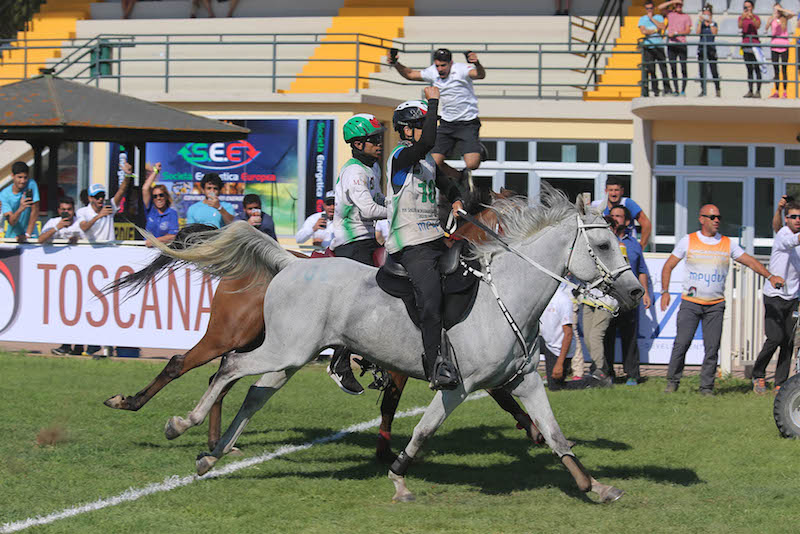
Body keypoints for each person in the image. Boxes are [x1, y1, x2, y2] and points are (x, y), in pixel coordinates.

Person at [385, 87, 465, 390]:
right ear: (406, 129)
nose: (424, 130)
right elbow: (430, 140)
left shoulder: (429, 162)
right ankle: (434, 366)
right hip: (411, 245)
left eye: (425, 124)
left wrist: (456, 200)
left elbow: (450, 186)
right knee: (431, 302)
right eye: (419, 124)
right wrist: (434, 101)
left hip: (435, 239)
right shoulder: (401, 157)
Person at [661, 204, 784, 395]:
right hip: (691, 303)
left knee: (712, 349)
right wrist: (665, 291)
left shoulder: (727, 243)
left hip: (715, 305)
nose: (717, 220)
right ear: (701, 219)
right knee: (682, 344)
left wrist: (770, 276)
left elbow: (750, 261)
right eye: (712, 217)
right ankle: (672, 382)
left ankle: (706, 387)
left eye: (718, 217)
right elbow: (668, 266)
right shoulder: (688, 240)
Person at [327, 114, 389, 395]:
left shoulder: (372, 166)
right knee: (364, 304)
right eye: (374, 140)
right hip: (351, 245)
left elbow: (379, 202)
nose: (379, 144)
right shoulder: (355, 172)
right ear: (358, 143)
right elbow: (369, 210)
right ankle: (339, 364)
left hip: (368, 241)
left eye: (380, 139)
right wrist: (406, 211)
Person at [389, 47, 485, 173]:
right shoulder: (433, 72)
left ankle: (480, 149)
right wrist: (396, 64)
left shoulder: (461, 69)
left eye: (443, 65)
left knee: (472, 164)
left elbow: (480, 75)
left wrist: (476, 63)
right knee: (433, 163)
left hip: (467, 121)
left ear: (451, 63)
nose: (440, 69)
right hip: (447, 123)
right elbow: (410, 75)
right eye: (437, 65)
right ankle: (459, 177)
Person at [752, 200, 800, 394]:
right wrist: (779, 210)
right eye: (794, 217)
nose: (798, 220)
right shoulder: (783, 234)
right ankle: (758, 374)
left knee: (788, 341)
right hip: (774, 295)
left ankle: (780, 383)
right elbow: (791, 240)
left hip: (793, 297)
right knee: (775, 337)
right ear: (787, 219)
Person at [604, 206, 651, 386]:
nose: (615, 219)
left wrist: (644, 292)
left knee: (629, 337)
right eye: (613, 216)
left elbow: (641, 270)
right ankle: (607, 374)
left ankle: (632, 374)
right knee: (607, 337)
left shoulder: (634, 245)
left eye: (619, 216)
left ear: (627, 221)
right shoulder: (606, 242)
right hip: (609, 297)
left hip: (629, 298)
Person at [41, 196, 85, 356]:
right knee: (65, 311)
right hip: (58, 274)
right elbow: (41, 239)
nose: (66, 213)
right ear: (59, 210)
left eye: (69, 209)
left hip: (81, 273)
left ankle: (79, 346)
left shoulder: (80, 223)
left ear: (74, 210)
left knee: (80, 310)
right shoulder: (53, 222)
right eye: (63, 210)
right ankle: (66, 345)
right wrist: (58, 227)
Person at [590, 176, 652, 250]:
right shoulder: (596, 205)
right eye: (611, 190)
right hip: (606, 248)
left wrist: (641, 246)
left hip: (627, 247)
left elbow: (646, 224)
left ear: (622, 191)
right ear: (606, 191)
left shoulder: (628, 203)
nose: (613, 193)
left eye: (616, 190)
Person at [76, 170, 131, 242]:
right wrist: (99, 216)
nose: (100, 199)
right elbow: (84, 227)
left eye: (102, 196)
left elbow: (121, 191)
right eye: (97, 196)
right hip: (91, 249)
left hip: (109, 247)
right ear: (90, 198)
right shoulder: (82, 211)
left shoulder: (109, 206)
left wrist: (127, 175)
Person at [0, 161, 40, 243]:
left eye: (25, 177)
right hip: (12, 238)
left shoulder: (31, 184)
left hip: (31, 237)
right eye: (20, 177)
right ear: (12, 176)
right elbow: (11, 221)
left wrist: (27, 235)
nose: (23, 181)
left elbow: (35, 210)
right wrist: (20, 209)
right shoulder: (4, 194)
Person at [658, 0, 691, 95]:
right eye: (677, 5)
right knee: (673, 68)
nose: (678, 6)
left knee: (683, 67)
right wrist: (673, 1)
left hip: (682, 44)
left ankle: (683, 89)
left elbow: (688, 30)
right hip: (672, 44)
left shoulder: (686, 16)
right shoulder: (670, 14)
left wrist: (677, 33)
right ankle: (676, 89)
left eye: (680, 5)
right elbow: (660, 8)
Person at [142, 162, 179, 246]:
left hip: (163, 251)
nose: (158, 198)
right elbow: (145, 188)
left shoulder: (172, 213)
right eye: (155, 196)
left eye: (161, 195)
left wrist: (155, 241)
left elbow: (173, 236)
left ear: (166, 196)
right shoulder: (150, 209)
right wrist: (155, 172)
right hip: (146, 250)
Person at [639, 1, 670, 97]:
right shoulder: (642, 19)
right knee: (651, 70)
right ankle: (655, 90)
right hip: (649, 47)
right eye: (647, 8)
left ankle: (667, 89)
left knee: (663, 69)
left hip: (659, 46)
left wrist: (652, 19)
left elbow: (662, 27)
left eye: (651, 8)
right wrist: (655, 30)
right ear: (645, 9)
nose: (649, 10)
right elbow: (643, 31)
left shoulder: (658, 17)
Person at [766, 3, 795, 99]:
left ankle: (785, 92)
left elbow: (793, 13)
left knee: (784, 69)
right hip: (774, 46)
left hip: (784, 46)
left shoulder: (784, 19)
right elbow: (766, 28)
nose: (777, 11)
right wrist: (772, 18)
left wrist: (783, 10)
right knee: (776, 70)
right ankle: (777, 91)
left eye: (778, 9)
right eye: (775, 9)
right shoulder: (772, 19)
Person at [696, 4, 721, 98]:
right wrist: (700, 22)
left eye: (707, 14)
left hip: (711, 48)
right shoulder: (701, 24)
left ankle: (717, 90)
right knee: (702, 71)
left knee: (714, 70)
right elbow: (697, 32)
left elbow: (714, 33)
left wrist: (709, 22)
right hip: (702, 48)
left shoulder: (714, 23)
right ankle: (703, 90)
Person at [739, 0, 762, 98]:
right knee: (749, 69)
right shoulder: (741, 17)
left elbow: (758, 26)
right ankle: (750, 90)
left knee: (757, 68)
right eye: (745, 7)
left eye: (748, 6)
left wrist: (752, 17)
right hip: (746, 45)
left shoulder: (756, 17)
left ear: (752, 7)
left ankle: (758, 91)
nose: (747, 8)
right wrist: (743, 18)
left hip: (755, 45)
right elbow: (739, 26)